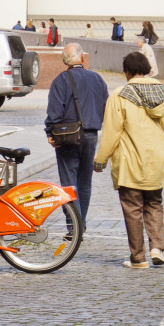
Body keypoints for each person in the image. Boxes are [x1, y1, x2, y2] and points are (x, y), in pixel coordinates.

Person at [94, 51, 164, 268]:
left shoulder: (119, 94)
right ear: (147, 69)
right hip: (157, 160)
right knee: (154, 203)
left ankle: (138, 258)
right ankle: (157, 247)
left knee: (132, 207)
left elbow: (112, 132)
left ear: (127, 72)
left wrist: (101, 159)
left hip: (130, 160)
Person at [44, 44, 109, 233]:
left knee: (68, 183)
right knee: (84, 183)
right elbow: (105, 107)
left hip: (67, 136)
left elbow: (55, 112)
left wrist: (50, 133)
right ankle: (81, 222)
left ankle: (75, 227)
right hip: (91, 134)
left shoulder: (61, 80)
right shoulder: (97, 79)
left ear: (65, 60)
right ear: (81, 58)